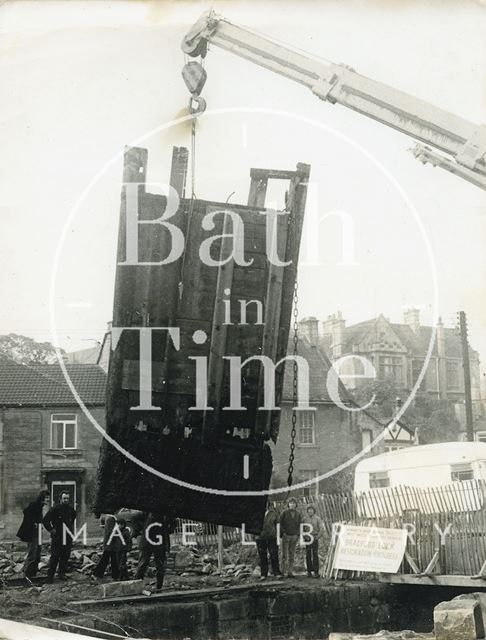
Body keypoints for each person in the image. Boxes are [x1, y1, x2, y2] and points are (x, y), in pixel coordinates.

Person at [135, 512, 175, 591]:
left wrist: (169, 530)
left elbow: (173, 521)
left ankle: (158, 587)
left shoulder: (164, 514)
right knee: (143, 563)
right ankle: (136, 586)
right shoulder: (147, 512)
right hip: (149, 541)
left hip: (157, 541)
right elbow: (135, 518)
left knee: (159, 565)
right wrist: (141, 529)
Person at [42, 491, 77, 583]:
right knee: (55, 556)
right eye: (64, 498)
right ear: (60, 499)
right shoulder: (55, 509)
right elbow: (45, 520)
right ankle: (50, 577)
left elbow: (73, 517)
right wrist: (52, 530)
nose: (66, 500)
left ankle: (61, 574)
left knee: (65, 556)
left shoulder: (70, 509)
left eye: (67, 499)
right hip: (57, 537)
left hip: (68, 537)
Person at [17, 490, 49, 578]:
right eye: (46, 498)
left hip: (38, 532)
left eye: (48, 498)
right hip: (32, 533)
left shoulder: (40, 507)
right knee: (32, 553)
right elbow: (26, 512)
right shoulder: (34, 505)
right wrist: (33, 523)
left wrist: (39, 524)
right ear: (42, 498)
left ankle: (33, 573)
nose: (48, 500)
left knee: (38, 553)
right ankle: (26, 574)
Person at [256, 503, 281, 579]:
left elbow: (278, 525)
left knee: (274, 555)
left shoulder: (274, 514)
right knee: (262, 556)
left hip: (272, 537)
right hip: (260, 537)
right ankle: (263, 574)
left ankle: (276, 573)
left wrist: (278, 536)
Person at [92, 513, 120, 580]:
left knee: (109, 559)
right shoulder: (111, 519)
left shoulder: (109, 517)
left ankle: (99, 574)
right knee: (109, 560)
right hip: (111, 544)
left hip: (109, 544)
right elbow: (110, 532)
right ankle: (98, 573)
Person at [279, 497, 301, 578]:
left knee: (292, 554)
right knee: (285, 555)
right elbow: (279, 523)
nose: (292, 504)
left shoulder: (298, 514)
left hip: (294, 536)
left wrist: (297, 535)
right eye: (291, 503)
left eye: (294, 503)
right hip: (286, 536)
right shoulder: (284, 513)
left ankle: (290, 572)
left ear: (296, 505)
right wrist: (283, 532)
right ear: (288, 504)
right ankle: (282, 571)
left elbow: (299, 525)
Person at [302, 504, 324, 577]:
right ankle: (309, 571)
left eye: (311, 510)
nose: (310, 511)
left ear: (314, 511)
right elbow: (302, 529)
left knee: (315, 554)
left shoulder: (317, 519)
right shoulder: (304, 519)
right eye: (309, 510)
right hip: (307, 539)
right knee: (308, 555)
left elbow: (321, 529)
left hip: (314, 538)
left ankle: (316, 571)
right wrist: (305, 536)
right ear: (307, 511)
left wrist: (317, 537)